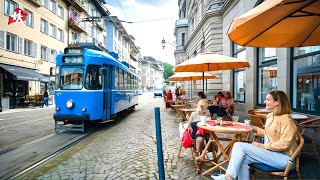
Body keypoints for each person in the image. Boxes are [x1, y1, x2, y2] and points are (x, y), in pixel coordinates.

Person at [217, 90, 298, 180]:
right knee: (242, 160)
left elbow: (284, 145)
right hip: (271, 153)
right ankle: (230, 176)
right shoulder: (271, 116)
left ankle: (228, 176)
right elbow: (269, 134)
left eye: (267, 99)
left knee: (238, 145)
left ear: (277, 102)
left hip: (284, 159)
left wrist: (260, 145)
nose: (264, 102)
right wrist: (253, 128)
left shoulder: (287, 121)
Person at [188, 99, 214, 172]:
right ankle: (199, 157)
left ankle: (210, 150)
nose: (208, 105)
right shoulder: (194, 114)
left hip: (206, 132)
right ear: (204, 105)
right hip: (196, 133)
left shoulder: (207, 112)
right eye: (207, 104)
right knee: (200, 139)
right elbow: (189, 124)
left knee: (211, 138)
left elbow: (210, 122)